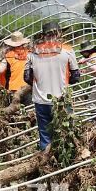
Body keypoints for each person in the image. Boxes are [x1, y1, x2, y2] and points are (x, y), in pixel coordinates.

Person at [24, 21, 80, 150]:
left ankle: (45, 162)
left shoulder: (32, 53)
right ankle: (63, 163)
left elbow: (27, 77)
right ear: (59, 34)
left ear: (43, 36)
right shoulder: (67, 50)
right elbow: (76, 76)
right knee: (65, 133)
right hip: (61, 99)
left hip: (40, 100)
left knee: (45, 134)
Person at [0, 31, 31, 104]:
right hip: (27, 87)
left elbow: (0, 70)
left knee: (13, 108)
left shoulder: (8, 56)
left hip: (13, 88)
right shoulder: (29, 54)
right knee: (28, 108)